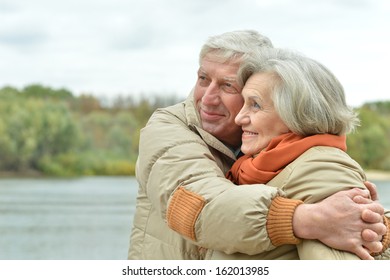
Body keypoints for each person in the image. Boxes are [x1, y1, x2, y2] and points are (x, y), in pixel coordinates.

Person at [128, 30, 388, 260]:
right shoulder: (168, 127)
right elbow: (198, 207)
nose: (207, 98)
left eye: (227, 86)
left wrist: (375, 228)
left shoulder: (303, 158)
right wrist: (308, 219)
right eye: (203, 78)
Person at [216, 47, 390, 259]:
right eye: (244, 103)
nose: (239, 118)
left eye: (255, 105)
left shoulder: (322, 169)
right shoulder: (257, 164)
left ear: (297, 114)